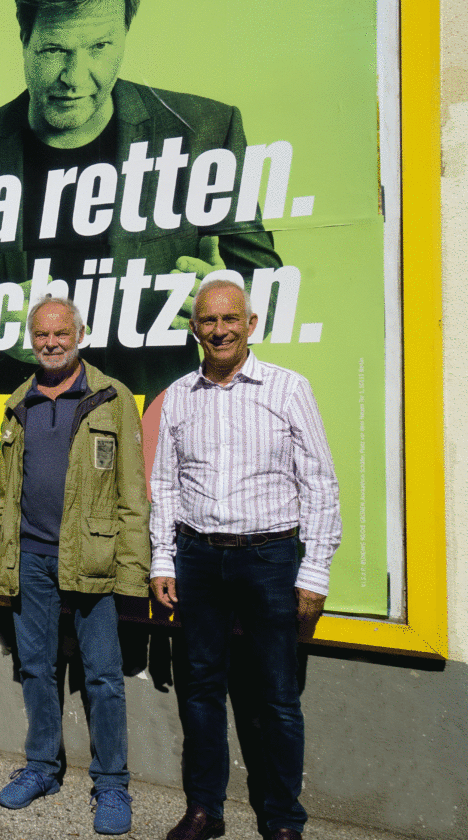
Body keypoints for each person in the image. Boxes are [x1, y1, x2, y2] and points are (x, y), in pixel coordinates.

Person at [0, 0, 281, 402]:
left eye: (100, 47)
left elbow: (265, 284)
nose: (74, 76)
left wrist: (222, 296)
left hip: (153, 432)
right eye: (54, 50)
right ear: (24, 37)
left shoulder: (205, 131)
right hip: (15, 435)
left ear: (126, 32)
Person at [149, 279, 340, 840]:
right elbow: (167, 483)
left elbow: (321, 484)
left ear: (251, 325)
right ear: (194, 329)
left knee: (277, 695)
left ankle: (283, 819)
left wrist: (315, 570)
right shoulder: (181, 394)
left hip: (270, 559)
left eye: (231, 320)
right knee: (201, 688)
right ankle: (205, 809)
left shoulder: (287, 389)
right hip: (199, 559)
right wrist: (164, 560)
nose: (220, 330)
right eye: (208, 321)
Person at [0, 296, 149, 835]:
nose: (51, 343)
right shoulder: (18, 402)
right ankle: (41, 768)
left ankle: (112, 784)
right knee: (36, 667)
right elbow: (5, 493)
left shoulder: (111, 397)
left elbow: (132, 494)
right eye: (41, 335)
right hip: (29, 558)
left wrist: (132, 573)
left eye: (61, 333)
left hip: (94, 560)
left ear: (81, 333)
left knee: (102, 676)